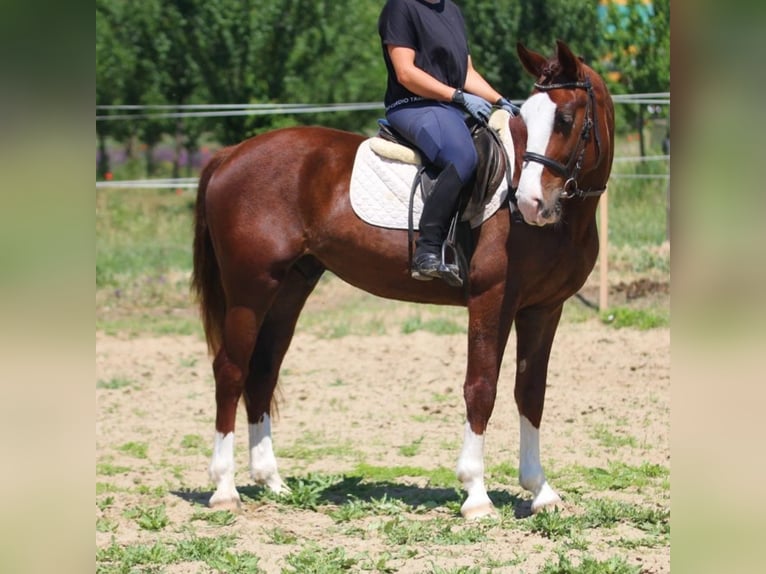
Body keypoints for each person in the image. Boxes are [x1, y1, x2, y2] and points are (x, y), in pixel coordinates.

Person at [378, 0, 517, 282]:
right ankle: (426, 251)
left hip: (448, 106)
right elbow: (406, 73)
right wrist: (457, 96)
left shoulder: (451, 10)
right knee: (462, 157)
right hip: (412, 104)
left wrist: (500, 100)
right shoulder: (401, 7)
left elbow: (466, 73)